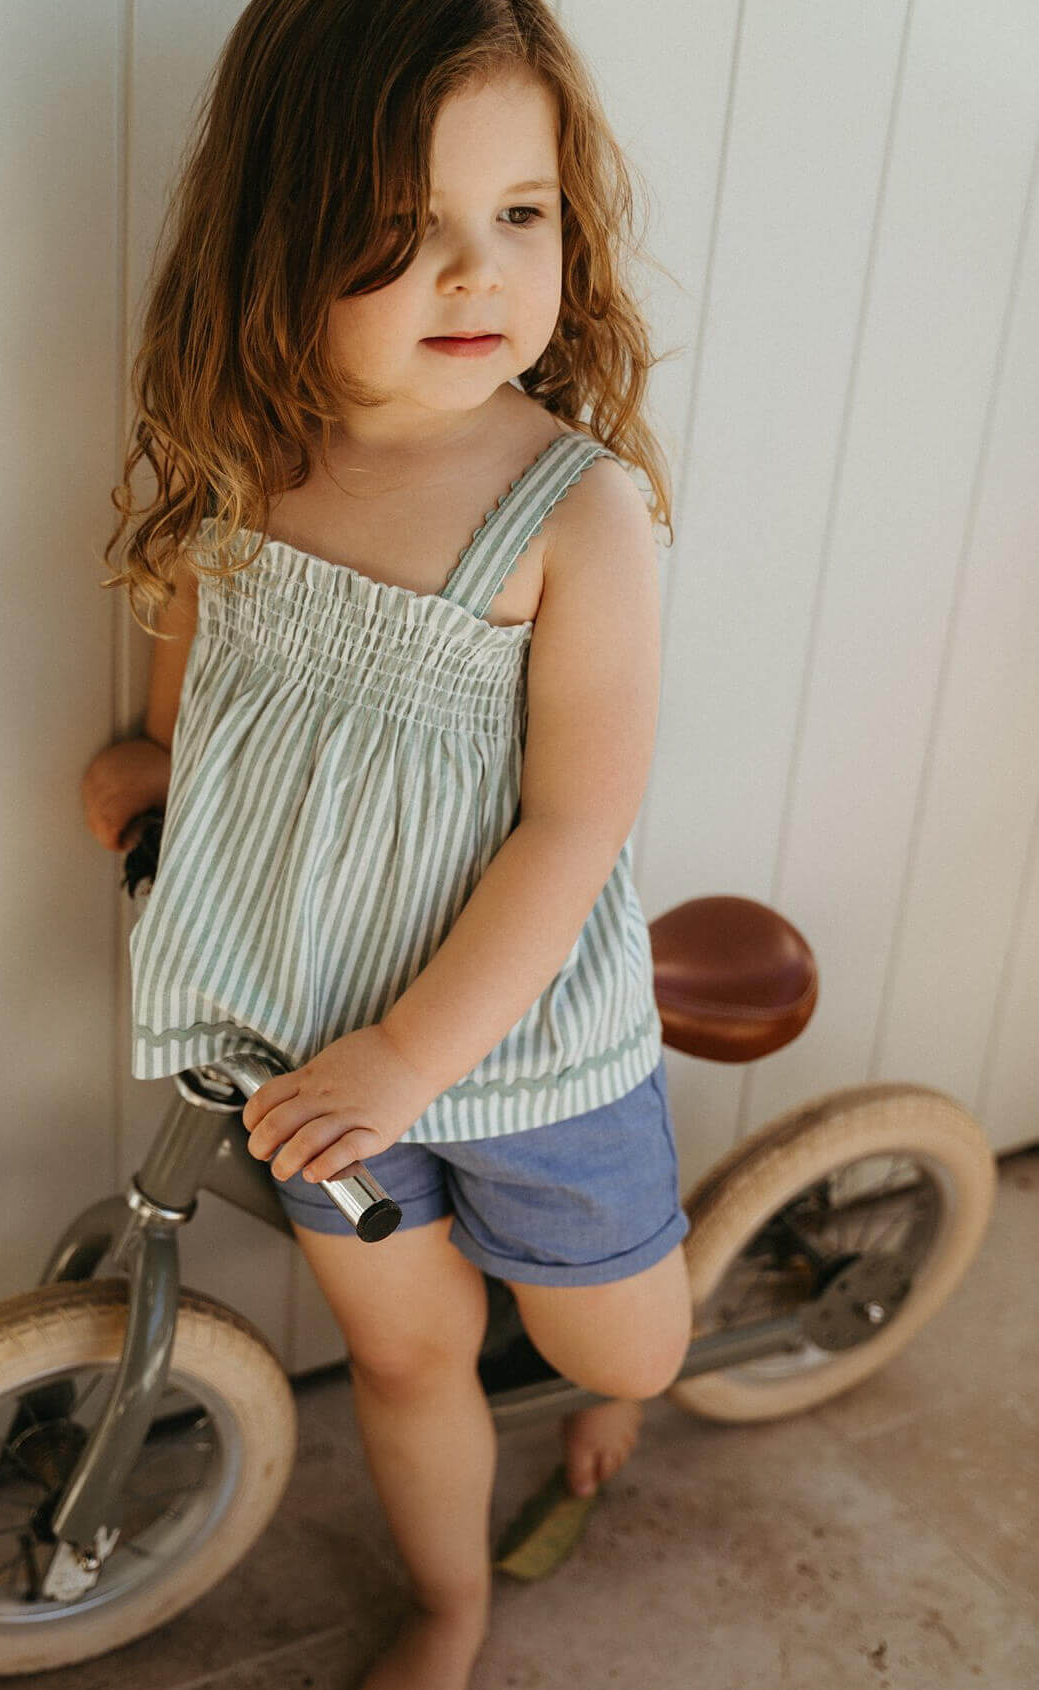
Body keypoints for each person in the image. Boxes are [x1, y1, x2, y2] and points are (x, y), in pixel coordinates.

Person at [81, 3, 690, 1684]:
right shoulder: (248, 462)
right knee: (410, 1359)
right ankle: (453, 1601)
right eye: (403, 229)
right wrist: (146, 769)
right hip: (308, 1054)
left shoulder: (576, 510)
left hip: (520, 1047)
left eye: (520, 215)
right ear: (282, 233)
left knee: (626, 1344)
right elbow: (203, 677)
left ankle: (601, 1354)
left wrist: (416, 1053)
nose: (478, 275)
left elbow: (579, 818)